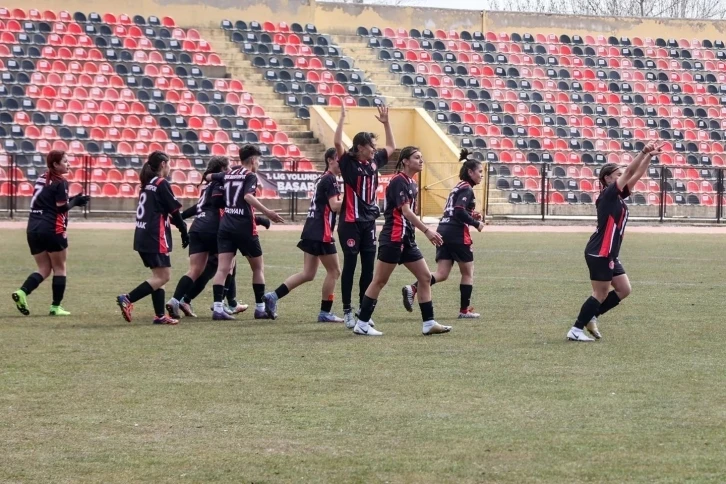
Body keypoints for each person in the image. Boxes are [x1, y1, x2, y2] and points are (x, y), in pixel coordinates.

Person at [567, 141, 663, 342]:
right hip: (600, 251)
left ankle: (591, 315)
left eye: (620, 174)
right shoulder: (609, 194)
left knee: (624, 289)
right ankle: (576, 330)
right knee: (600, 293)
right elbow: (630, 171)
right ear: (607, 179)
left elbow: (636, 175)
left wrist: (649, 157)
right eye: (617, 175)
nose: (622, 176)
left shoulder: (618, 195)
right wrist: (643, 152)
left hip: (609, 252)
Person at [353, 147, 451, 337]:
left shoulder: (412, 183)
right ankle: (362, 324)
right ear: (405, 161)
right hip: (393, 238)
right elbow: (405, 211)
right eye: (416, 157)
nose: (421, 161)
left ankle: (429, 323)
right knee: (379, 280)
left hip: (407, 239)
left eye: (421, 157)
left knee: (425, 277)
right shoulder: (398, 180)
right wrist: (427, 230)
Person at [262, 148, 345, 322]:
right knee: (334, 271)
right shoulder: (330, 178)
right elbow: (335, 205)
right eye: (339, 159)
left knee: (308, 273)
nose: (342, 163)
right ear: (330, 160)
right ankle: (325, 312)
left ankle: (273, 296)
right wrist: (354, 199)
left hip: (312, 229)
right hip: (321, 230)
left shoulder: (322, 178)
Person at [401, 149, 485, 319]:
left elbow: (456, 209)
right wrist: (476, 223)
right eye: (480, 171)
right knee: (468, 272)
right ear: (470, 172)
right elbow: (459, 211)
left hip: (443, 230)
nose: (482, 175)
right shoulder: (467, 189)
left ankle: (413, 288)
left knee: (442, 273)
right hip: (457, 232)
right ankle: (464, 311)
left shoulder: (458, 187)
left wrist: (471, 214)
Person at [205, 145, 284, 321]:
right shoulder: (250, 176)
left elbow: (209, 176)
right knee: (258, 268)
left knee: (223, 268)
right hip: (244, 227)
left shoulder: (228, 173)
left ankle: (218, 309)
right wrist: (268, 212)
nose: (259, 164)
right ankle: (260, 308)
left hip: (226, 225)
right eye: (259, 160)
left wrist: (215, 180)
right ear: (253, 160)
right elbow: (248, 196)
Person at [334, 104, 396, 329]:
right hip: (350, 222)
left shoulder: (374, 161)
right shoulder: (348, 163)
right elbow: (337, 143)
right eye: (371, 146)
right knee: (350, 266)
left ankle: (363, 309)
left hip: (369, 223)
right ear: (360, 147)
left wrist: (386, 123)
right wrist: (342, 118)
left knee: (369, 268)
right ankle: (347, 310)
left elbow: (391, 146)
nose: (374, 149)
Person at [165, 156, 248, 319]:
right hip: (213, 228)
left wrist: (180, 217)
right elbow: (220, 203)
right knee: (228, 266)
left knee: (195, 270)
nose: (230, 170)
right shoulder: (220, 183)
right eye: (228, 167)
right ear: (222, 169)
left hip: (197, 227)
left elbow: (199, 207)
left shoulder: (207, 185)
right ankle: (221, 305)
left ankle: (175, 300)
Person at [11, 150, 89, 316]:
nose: (68, 164)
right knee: (60, 268)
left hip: (33, 228)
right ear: (55, 164)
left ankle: (22, 292)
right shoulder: (61, 181)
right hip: (52, 228)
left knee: (44, 268)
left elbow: (50, 202)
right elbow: (60, 208)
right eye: (65, 161)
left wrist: (73, 200)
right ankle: (55, 307)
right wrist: (76, 201)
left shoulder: (42, 178)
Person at [116, 151, 189, 325]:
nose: (170, 168)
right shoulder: (161, 183)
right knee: (164, 276)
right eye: (169, 164)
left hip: (143, 235)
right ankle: (128, 298)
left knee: (158, 276)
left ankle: (160, 316)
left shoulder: (147, 184)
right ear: (163, 164)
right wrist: (184, 230)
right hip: (155, 236)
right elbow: (174, 212)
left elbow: (160, 211)